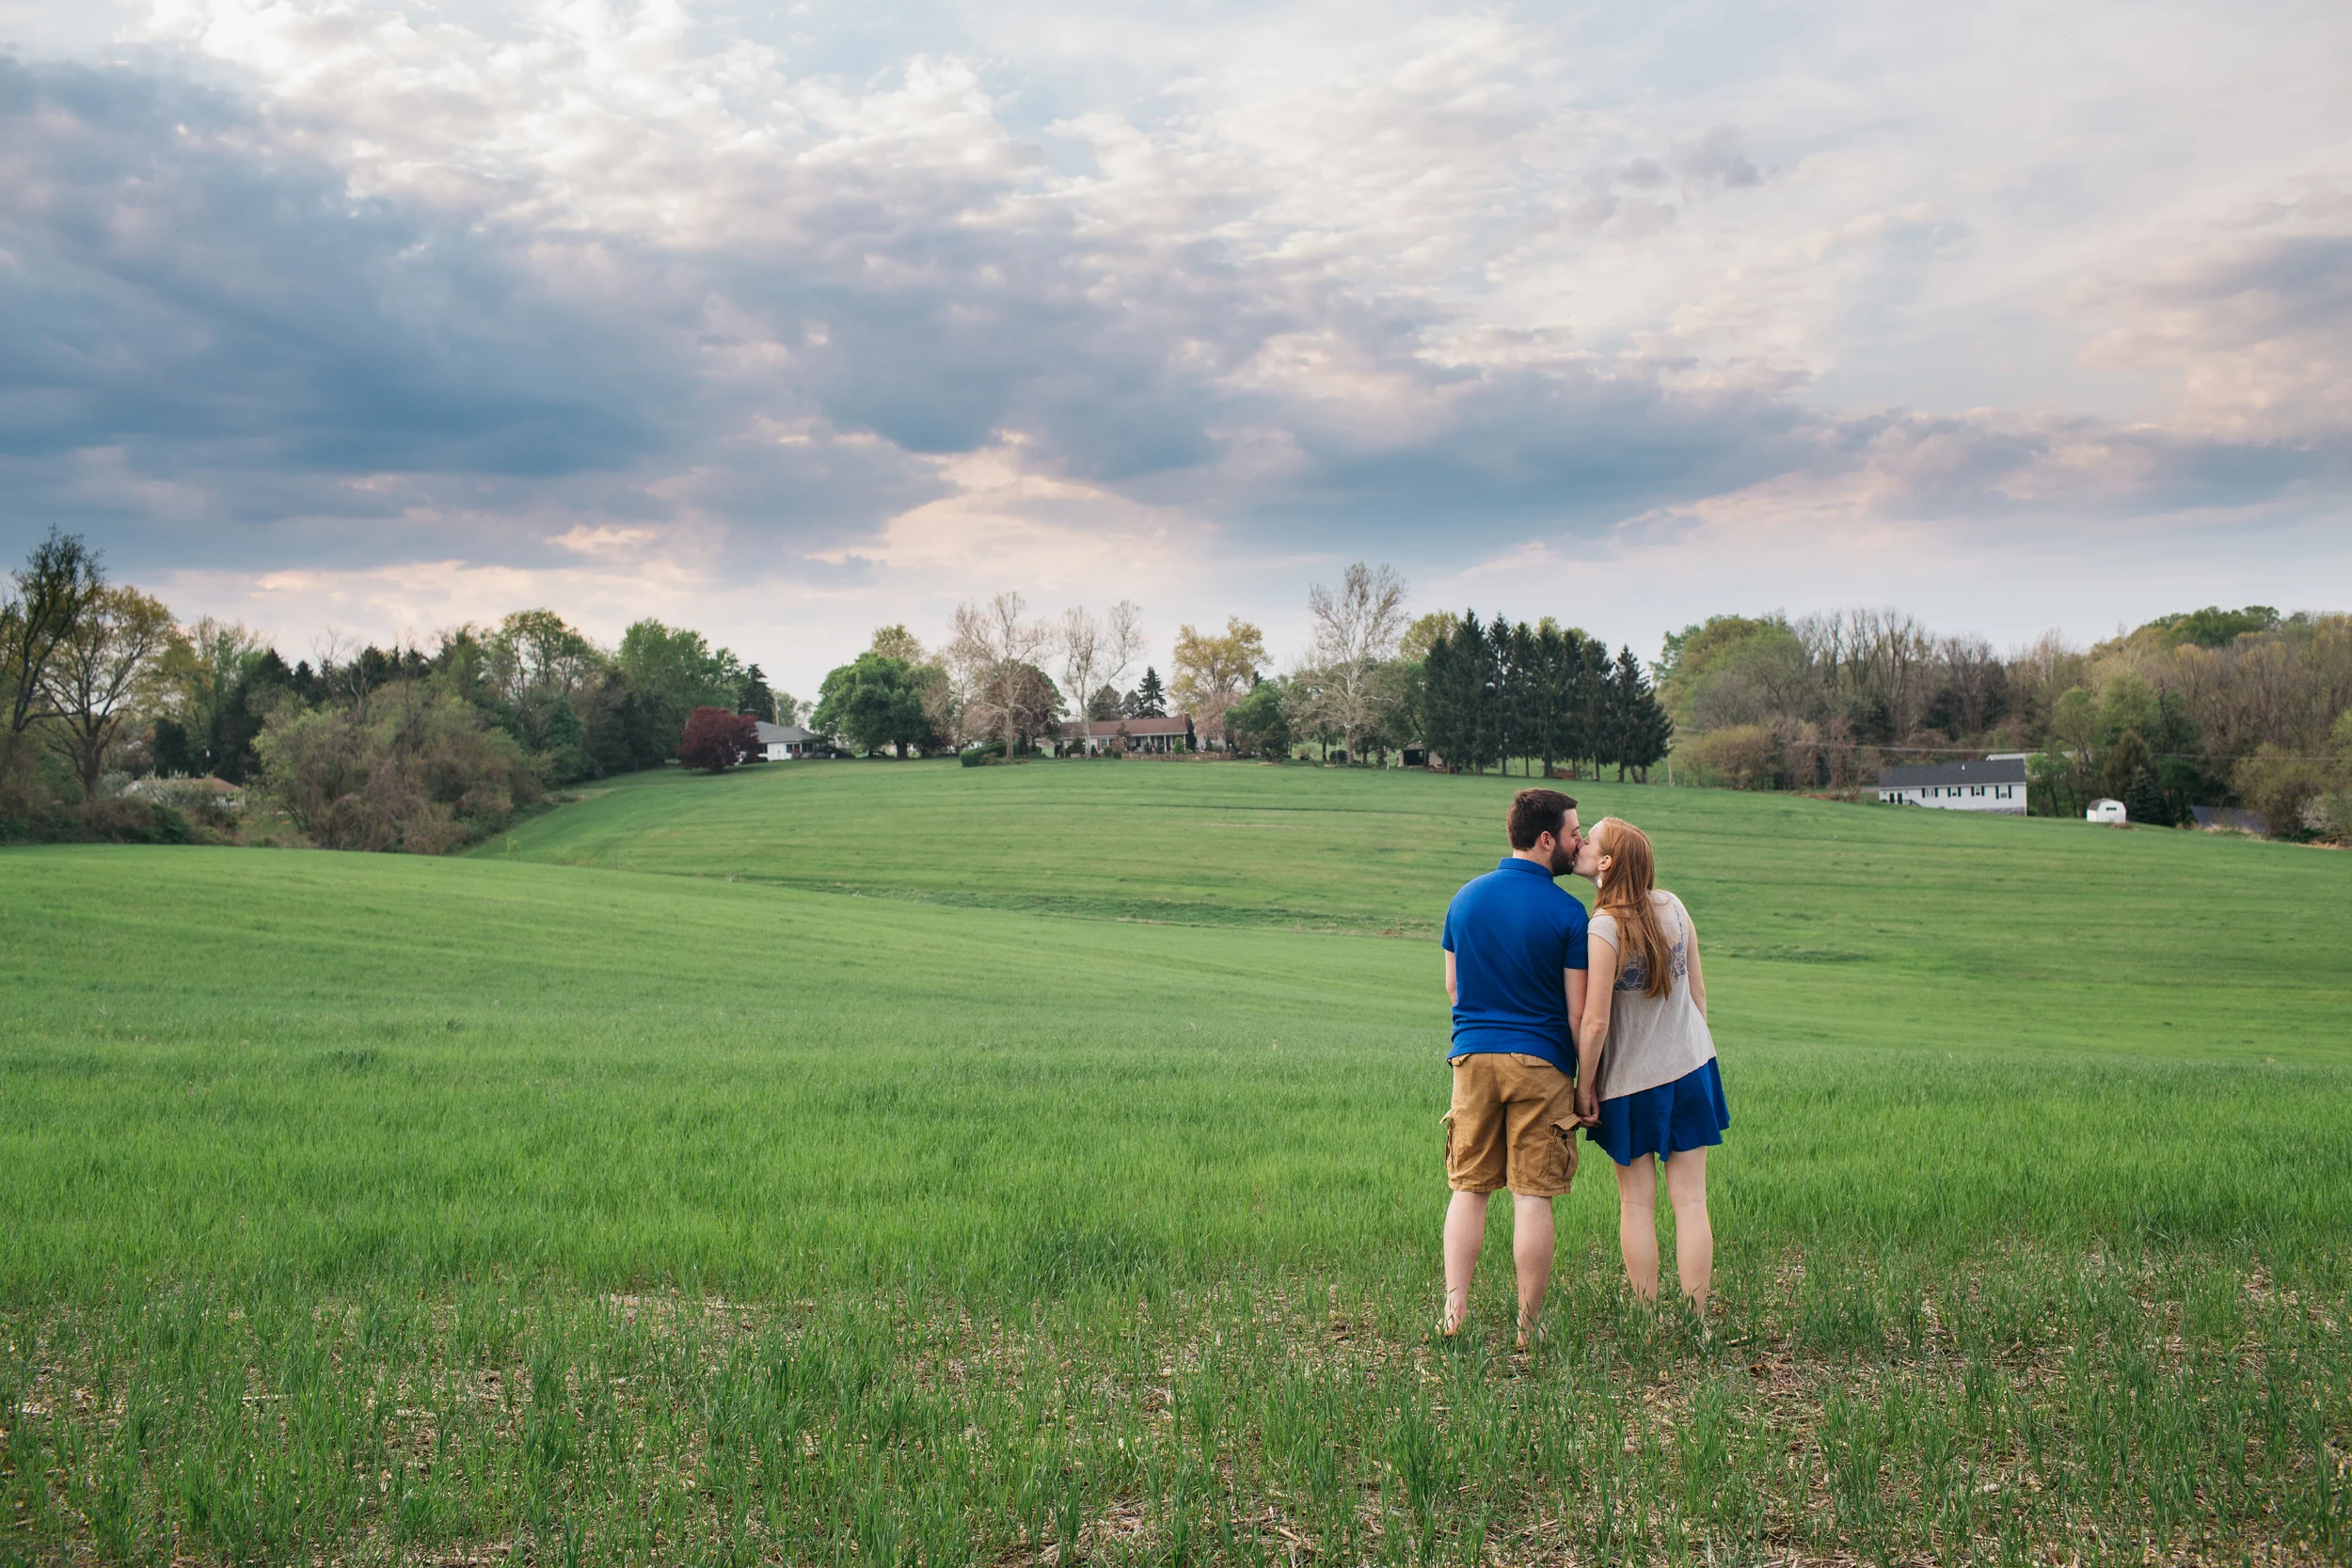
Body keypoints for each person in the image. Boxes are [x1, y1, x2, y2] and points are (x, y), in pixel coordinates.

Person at [1438, 787, 1589, 1346]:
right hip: (1541, 1062)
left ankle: (1454, 1314)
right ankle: (1527, 1328)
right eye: (1574, 833)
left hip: (1472, 1057)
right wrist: (1586, 1084)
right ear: (1546, 839)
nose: (1580, 843)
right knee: (1532, 1194)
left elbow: (1454, 988)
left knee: (1469, 1189)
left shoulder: (1465, 899)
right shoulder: (1569, 913)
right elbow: (1578, 1012)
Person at [1572, 816, 1729, 1325]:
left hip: (1631, 1084)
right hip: (1691, 1067)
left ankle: (1646, 1320)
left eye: (1589, 840)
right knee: (1691, 1201)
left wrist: (1584, 1087)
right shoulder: (1674, 907)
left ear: (1606, 862)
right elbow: (1700, 994)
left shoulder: (1604, 927)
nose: (1581, 844)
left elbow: (1595, 1024)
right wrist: (1695, 1052)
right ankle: (1698, 1321)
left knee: (1637, 1204)